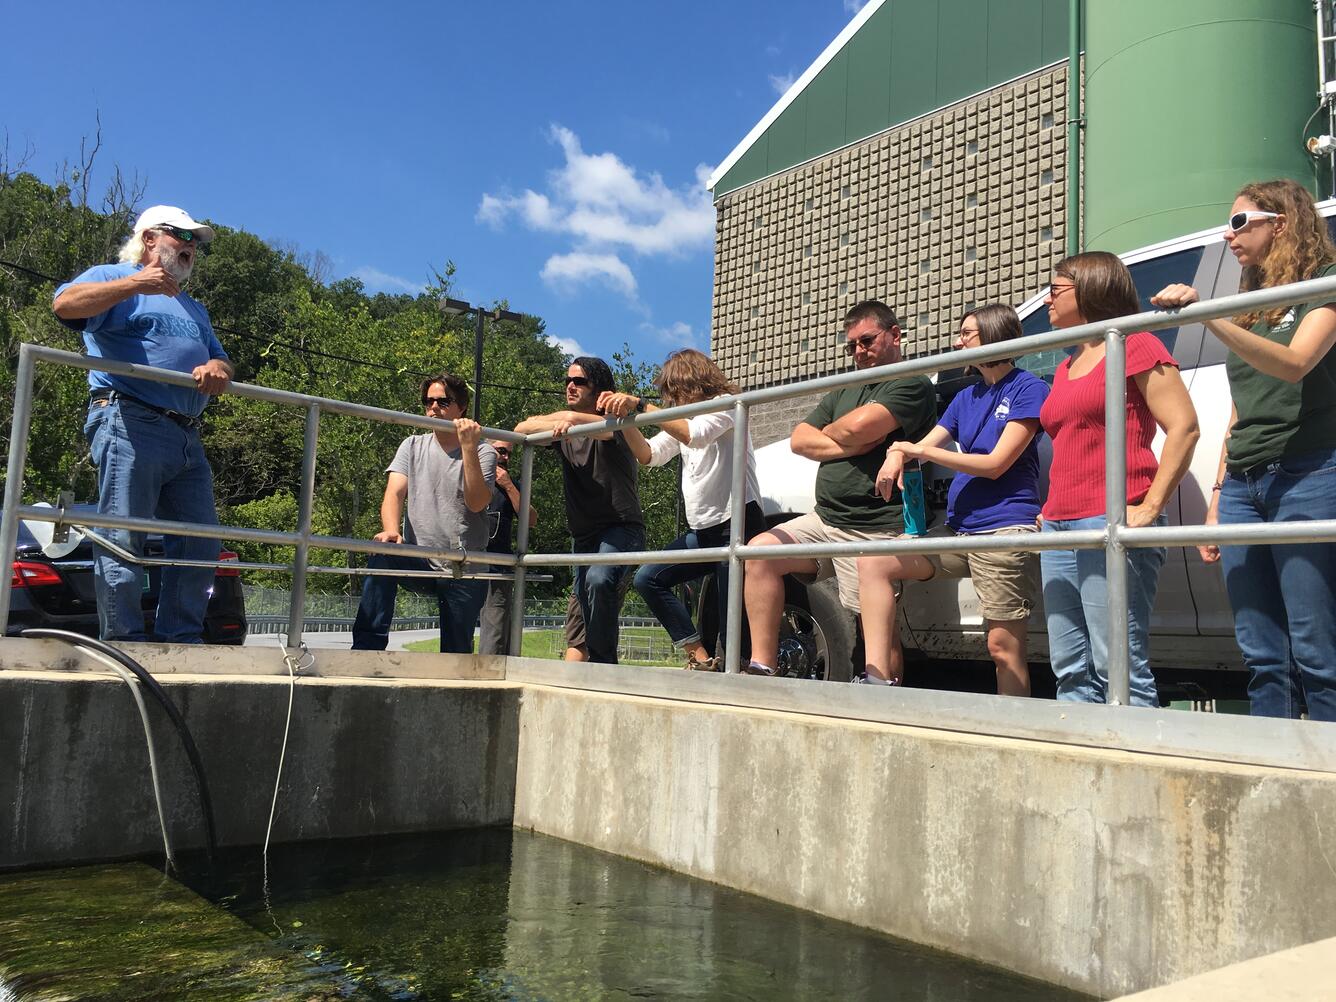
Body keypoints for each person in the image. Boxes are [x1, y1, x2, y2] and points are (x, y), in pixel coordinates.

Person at [1151, 178, 1336, 721]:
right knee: (1260, 650)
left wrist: (1206, 316)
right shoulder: (1248, 303)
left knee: (1315, 644)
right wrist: (1216, 495)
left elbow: (1296, 362)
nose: (1228, 236)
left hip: (1309, 471)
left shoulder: (1323, 283)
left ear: (1281, 223)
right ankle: (1269, 766)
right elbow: (1240, 404)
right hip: (1243, 483)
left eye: (1239, 223)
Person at [52, 205, 232, 643]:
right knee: (121, 538)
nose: (190, 247)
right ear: (150, 238)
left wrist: (217, 367)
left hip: (186, 433)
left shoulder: (195, 308)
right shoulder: (113, 275)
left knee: (199, 545)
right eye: (181, 236)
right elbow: (63, 305)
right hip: (129, 417)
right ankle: (125, 645)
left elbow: (223, 359)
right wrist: (136, 281)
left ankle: (180, 641)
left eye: (195, 242)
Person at [859, 305, 1049, 694]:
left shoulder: (1029, 388)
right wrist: (898, 453)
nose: (957, 342)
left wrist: (920, 452)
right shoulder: (966, 397)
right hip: (957, 531)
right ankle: (877, 681)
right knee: (875, 561)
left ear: (994, 337)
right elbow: (920, 446)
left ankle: (1014, 734)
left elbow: (996, 465)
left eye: (966, 334)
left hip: (1003, 530)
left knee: (1002, 646)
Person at [743, 300, 937, 678]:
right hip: (825, 518)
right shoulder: (843, 391)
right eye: (851, 346)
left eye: (866, 341)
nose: (859, 352)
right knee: (759, 552)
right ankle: (761, 668)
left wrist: (841, 435)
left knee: (876, 630)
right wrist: (850, 443)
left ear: (895, 335)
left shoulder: (910, 382)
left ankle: (883, 696)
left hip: (875, 524)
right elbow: (799, 439)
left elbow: (855, 429)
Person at [1039, 252, 1199, 707]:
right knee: (1069, 666)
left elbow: (1184, 427)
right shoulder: (1067, 365)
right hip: (1058, 526)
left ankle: (1136, 764)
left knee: (1118, 667)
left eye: (1056, 290)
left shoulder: (1135, 344)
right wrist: (1049, 510)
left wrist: (1149, 508)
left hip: (1108, 521)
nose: (1048, 300)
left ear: (1089, 288)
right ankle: (1083, 764)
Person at [599, 349, 766, 671]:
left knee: (733, 624)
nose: (671, 401)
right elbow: (649, 455)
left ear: (690, 383)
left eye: (673, 393)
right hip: (703, 532)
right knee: (648, 578)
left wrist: (640, 405)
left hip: (737, 523)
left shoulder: (728, 405)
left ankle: (741, 680)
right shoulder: (683, 419)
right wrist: (625, 421)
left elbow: (697, 436)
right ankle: (699, 657)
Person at [351, 373, 495, 653]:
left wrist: (468, 447)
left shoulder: (483, 450)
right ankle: (367, 651)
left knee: (455, 656)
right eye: (428, 401)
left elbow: (477, 502)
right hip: (419, 560)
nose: (434, 408)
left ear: (461, 407)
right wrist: (392, 529)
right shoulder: (412, 444)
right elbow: (393, 493)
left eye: (443, 401)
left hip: (463, 568)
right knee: (383, 551)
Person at [515, 357, 646, 664]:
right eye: (567, 381)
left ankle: (604, 666)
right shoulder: (564, 430)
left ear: (598, 388)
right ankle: (594, 668)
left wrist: (570, 422)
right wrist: (562, 423)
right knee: (584, 607)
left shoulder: (617, 423)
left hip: (621, 529)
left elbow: (603, 430)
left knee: (599, 581)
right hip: (584, 535)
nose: (570, 386)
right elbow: (522, 427)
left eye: (579, 381)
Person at [477, 440, 538, 656]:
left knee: (496, 631)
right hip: (468, 564)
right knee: (459, 627)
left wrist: (509, 486)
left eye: (509, 453)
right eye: (501, 451)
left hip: (499, 568)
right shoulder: (470, 478)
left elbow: (530, 520)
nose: (506, 458)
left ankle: (490, 680)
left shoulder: (513, 485)